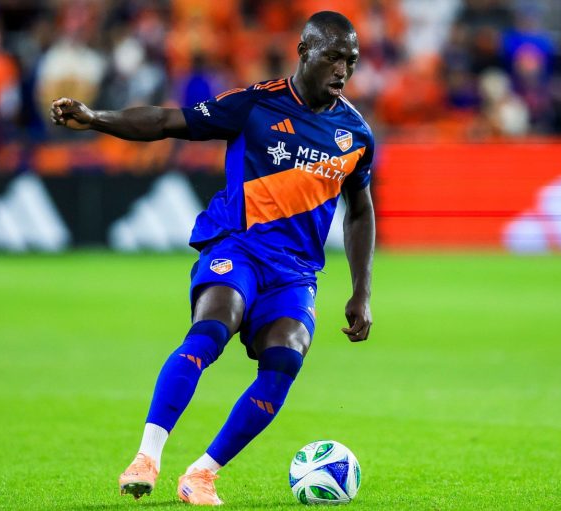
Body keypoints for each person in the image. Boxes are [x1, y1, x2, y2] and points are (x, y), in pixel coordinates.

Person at [50, 11, 374, 507]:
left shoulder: (355, 135)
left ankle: (202, 474)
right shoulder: (255, 105)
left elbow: (359, 210)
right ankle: (147, 457)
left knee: (286, 356)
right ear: (304, 50)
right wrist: (97, 118)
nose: (342, 70)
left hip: (295, 272)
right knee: (214, 325)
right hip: (237, 246)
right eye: (333, 56)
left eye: (350, 60)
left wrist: (361, 291)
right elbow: (164, 122)